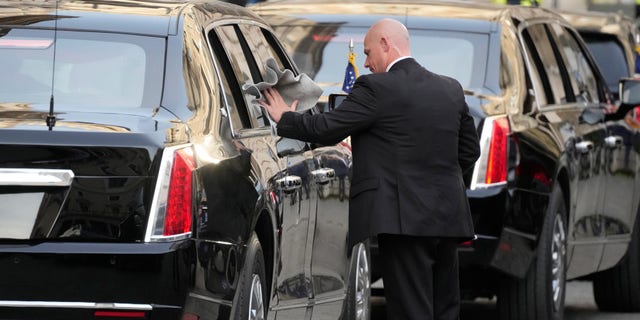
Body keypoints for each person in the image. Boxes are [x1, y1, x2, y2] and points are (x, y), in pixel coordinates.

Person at [259, 18, 481, 320]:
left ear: (386, 45)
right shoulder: (450, 89)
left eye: (367, 53)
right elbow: (469, 152)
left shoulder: (376, 88)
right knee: (444, 309)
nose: (365, 63)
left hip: (403, 221)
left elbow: (327, 128)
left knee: (410, 310)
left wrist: (285, 117)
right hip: (448, 217)